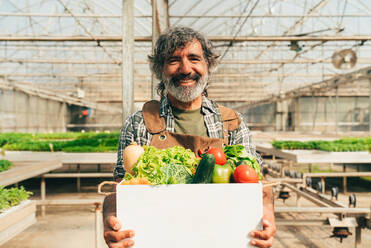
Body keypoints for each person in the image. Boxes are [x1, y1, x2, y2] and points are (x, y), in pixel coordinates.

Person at [103, 26, 276, 248]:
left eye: (194, 58)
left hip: (222, 238)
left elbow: (257, 185)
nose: (185, 69)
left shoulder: (231, 123)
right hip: (158, 239)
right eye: (174, 60)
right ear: (160, 70)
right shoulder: (139, 123)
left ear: (208, 66)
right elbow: (120, 188)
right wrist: (110, 217)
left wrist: (268, 216)